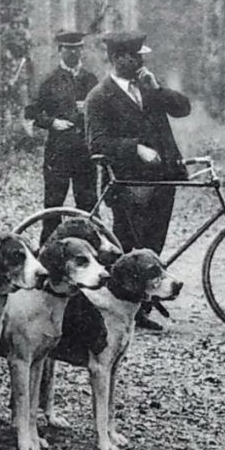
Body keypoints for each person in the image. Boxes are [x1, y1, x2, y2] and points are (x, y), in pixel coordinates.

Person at [83, 30, 191, 331]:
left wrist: (157, 89)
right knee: (130, 246)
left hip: (162, 180)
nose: (142, 61)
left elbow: (183, 108)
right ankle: (125, 308)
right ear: (118, 59)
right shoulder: (99, 96)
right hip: (127, 183)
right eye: (136, 57)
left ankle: (141, 305)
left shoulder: (147, 87)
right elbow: (97, 143)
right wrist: (135, 148)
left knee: (154, 243)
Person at [26, 30, 101, 245]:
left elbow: (102, 111)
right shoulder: (50, 80)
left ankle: (90, 251)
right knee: (53, 204)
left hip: (85, 152)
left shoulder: (90, 79)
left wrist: (87, 109)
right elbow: (32, 112)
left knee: (88, 204)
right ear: (60, 50)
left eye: (77, 48)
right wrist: (52, 123)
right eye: (69, 48)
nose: (73, 52)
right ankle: (47, 252)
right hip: (58, 152)